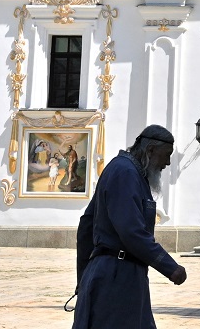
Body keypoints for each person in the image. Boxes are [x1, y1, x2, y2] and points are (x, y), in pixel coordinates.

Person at [73, 125, 187, 328]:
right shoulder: (125, 173)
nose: (168, 163)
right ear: (150, 150)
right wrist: (170, 268)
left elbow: (86, 225)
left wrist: (83, 278)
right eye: (167, 155)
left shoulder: (127, 171)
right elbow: (132, 232)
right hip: (117, 276)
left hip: (117, 274)